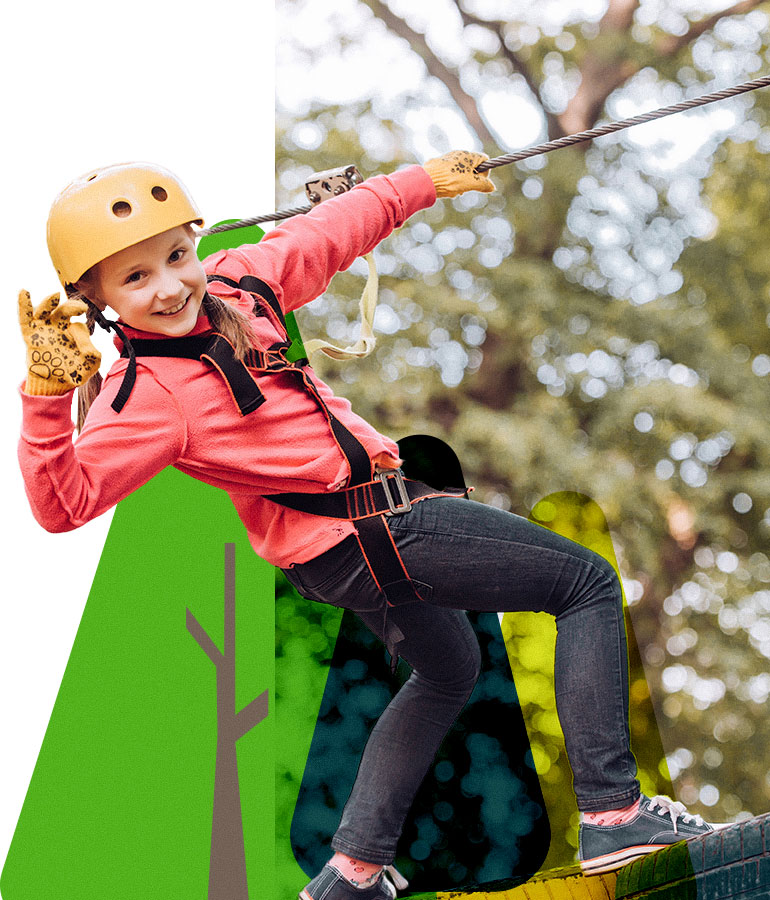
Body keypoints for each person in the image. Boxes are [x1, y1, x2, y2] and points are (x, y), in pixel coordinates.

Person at [17, 154, 721, 899]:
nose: (169, 286)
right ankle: (615, 816)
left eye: (176, 255)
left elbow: (327, 232)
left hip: (342, 544)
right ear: (92, 297)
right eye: (135, 279)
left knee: (449, 668)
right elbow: (63, 505)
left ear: (196, 243)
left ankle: (352, 873)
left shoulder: (237, 283)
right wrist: (44, 398)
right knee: (584, 582)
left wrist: (420, 182)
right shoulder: (146, 396)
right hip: (370, 530)